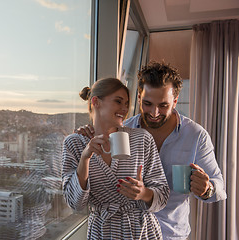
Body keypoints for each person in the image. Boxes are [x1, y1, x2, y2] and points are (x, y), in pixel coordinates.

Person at [76, 62, 227, 240]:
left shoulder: (196, 135)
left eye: (163, 105)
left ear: (175, 101)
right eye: (147, 104)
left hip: (171, 234)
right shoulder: (122, 130)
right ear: (139, 98)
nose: (155, 113)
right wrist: (86, 134)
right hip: (130, 235)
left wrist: (207, 189)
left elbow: (219, 187)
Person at [62, 77, 170, 239]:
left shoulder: (142, 139)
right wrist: (85, 158)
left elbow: (162, 196)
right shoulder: (74, 143)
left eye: (126, 104)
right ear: (96, 102)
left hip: (141, 231)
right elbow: (75, 203)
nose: (124, 108)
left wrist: (143, 193)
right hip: (103, 232)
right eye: (118, 102)